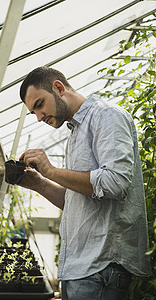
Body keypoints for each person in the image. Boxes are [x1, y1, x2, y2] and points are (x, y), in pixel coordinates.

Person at [18, 66, 151, 300]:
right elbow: (77, 203)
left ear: (58, 88)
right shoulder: (75, 133)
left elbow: (115, 182)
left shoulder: (106, 115)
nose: (38, 117)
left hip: (101, 268)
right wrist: (40, 183)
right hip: (80, 271)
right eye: (33, 112)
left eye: (39, 104)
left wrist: (51, 169)